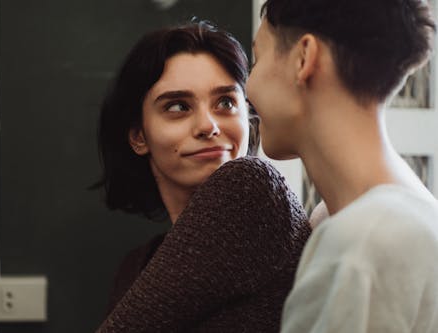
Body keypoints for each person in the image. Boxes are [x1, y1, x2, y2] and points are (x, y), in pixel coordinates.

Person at [95, 22, 311, 332]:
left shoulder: (252, 189)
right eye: (179, 106)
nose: (208, 125)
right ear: (139, 136)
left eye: (225, 102)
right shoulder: (135, 266)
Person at [247, 0, 438, 332]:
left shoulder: (364, 242)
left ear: (304, 58)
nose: (248, 89)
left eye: (257, 59)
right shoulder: (394, 216)